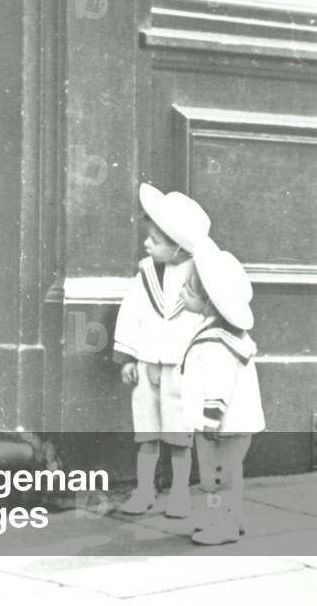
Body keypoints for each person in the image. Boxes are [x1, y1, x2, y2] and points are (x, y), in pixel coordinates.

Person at [113, 184, 211, 518]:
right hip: (146, 364)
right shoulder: (145, 276)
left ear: (178, 247)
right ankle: (144, 491)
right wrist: (127, 357)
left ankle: (180, 494)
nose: (146, 244)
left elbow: (206, 322)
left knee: (179, 435)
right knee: (146, 433)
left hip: (179, 370)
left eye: (154, 241)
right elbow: (130, 314)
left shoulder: (198, 278)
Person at [180, 236, 264, 545]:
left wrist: (211, 420)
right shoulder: (224, 334)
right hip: (232, 425)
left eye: (188, 290)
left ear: (209, 300)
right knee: (230, 475)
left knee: (215, 480)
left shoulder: (216, 341)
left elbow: (217, 384)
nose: (181, 293)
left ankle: (221, 525)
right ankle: (233, 518)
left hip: (220, 426)